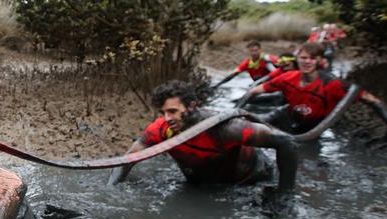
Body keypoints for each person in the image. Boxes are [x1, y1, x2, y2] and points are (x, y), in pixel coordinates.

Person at [108, 80, 298, 199]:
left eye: (172, 111)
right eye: (163, 112)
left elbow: (286, 142)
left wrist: (284, 194)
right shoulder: (161, 129)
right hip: (203, 184)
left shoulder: (227, 129)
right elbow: (127, 160)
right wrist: (110, 191)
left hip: (249, 181)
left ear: (191, 107)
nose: (167, 118)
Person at [244, 42, 387, 134]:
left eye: (312, 58)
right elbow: (256, 90)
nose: (307, 62)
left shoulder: (333, 84)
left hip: (313, 127)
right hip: (286, 115)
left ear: (320, 61)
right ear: (297, 59)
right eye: (303, 58)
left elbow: (373, 100)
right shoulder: (287, 77)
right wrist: (240, 106)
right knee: (250, 125)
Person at [213, 41, 278, 88]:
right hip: (259, 85)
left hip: (274, 83)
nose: (254, 53)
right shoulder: (247, 63)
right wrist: (218, 85)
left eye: (256, 51)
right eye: (252, 51)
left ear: (260, 50)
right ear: (248, 51)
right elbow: (233, 74)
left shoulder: (269, 58)